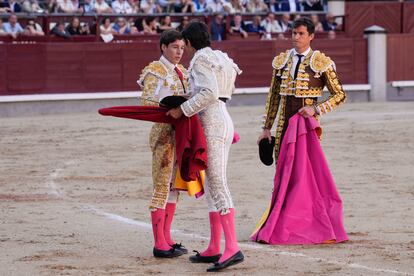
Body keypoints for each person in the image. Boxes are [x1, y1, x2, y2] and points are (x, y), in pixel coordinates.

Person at [251, 17, 348, 244]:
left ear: (311, 36)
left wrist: (316, 108)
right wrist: (266, 128)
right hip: (284, 126)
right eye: (294, 33)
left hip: (306, 129)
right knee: (283, 174)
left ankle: (302, 222)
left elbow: (340, 94)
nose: (296, 37)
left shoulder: (321, 62)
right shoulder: (281, 61)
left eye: (301, 33)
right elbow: (273, 97)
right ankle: (281, 221)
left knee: (305, 174)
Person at [167, 21, 244, 272]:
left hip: (212, 120)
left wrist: (183, 108)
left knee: (218, 182)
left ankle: (232, 247)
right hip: (221, 117)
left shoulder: (200, 60)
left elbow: (209, 93)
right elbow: (225, 90)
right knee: (211, 183)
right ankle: (215, 246)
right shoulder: (219, 57)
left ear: (188, 42)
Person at [137, 30, 189, 259]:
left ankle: (167, 238)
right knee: (162, 186)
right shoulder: (154, 71)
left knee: (174, 187)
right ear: (163, 47)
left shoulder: (183, 72)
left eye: (182, 48)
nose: (179, 52)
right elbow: (147, 102)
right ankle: (159, 243)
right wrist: (169, 107)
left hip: (180, 134)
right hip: (163, 134)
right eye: (175, 47)